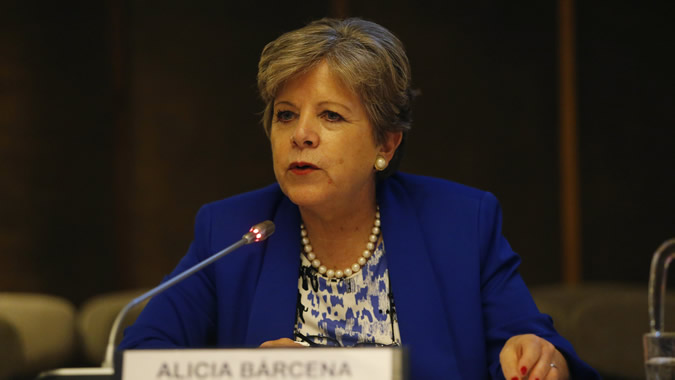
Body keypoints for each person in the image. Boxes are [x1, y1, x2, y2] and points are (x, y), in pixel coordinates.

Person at [119, 18, 599, 379]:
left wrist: (540, 357)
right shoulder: (232, 230)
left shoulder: (460, 223)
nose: (301, 134)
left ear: (385, 144)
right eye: (286, 115)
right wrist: (249, 371)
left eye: (330, 116)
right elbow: (141, 356)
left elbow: (530, 347)